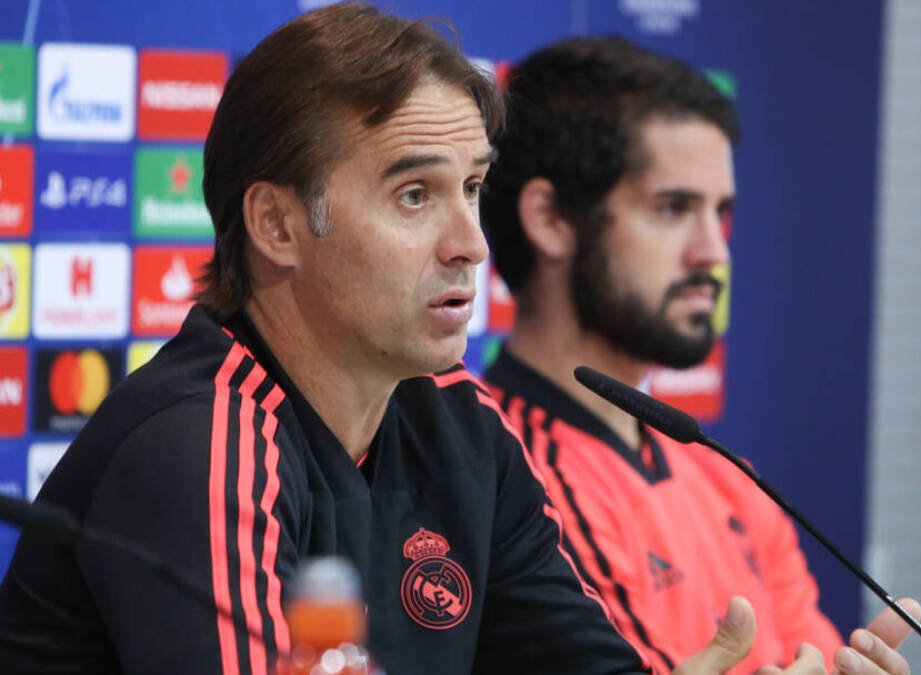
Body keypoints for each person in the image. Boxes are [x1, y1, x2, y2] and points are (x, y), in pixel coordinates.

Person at [0, 6, 751, 674]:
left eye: (472, 189)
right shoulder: (199, 444)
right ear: (277, 226)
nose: (470, 244)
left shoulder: (462, 421)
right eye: (415, 195)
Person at [482, 36, 920, 675]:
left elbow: (816, 658)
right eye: (673, 208)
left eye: (721, 213)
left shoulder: (729, 479)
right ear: (550, 219)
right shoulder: (502, 473)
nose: (714, 252)